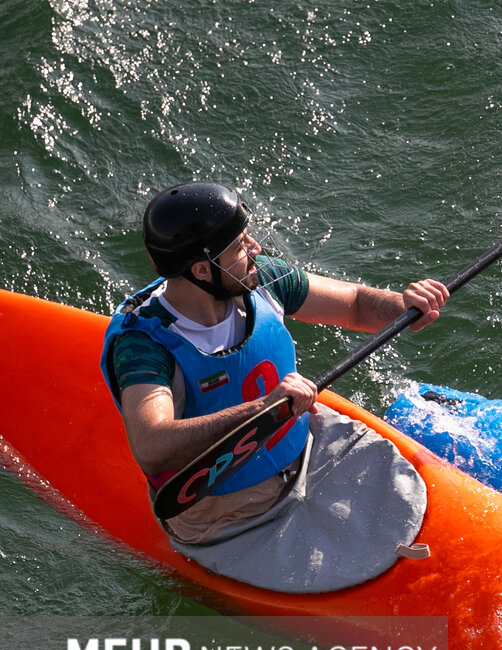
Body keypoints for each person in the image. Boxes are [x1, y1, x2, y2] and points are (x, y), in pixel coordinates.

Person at [100, 181, 449, 590]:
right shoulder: (144, 346)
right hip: (223, 516)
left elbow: (353, 304)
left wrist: (402, 307)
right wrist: (264, 410)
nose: (255, 250)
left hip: (304, 452)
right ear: (201, 270)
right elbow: (152, 444)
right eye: (239, 246)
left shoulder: (260, 279)